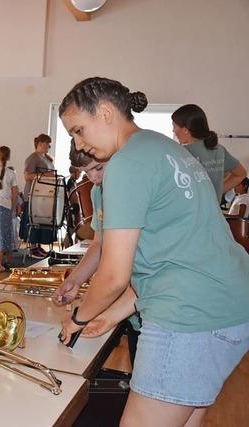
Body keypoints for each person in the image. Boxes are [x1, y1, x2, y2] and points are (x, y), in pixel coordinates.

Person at [57, 77, 249, 426]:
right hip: (230, 304)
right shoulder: (165, 147)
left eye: (78, 130)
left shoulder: (128, 163)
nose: (78, 141)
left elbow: (114, 276)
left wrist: (78, 318)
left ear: (104, 113)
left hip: (190, 316)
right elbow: (166, 260)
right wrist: (109, 317)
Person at [54, 140, 141, 364]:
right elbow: (99, 243)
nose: (93, 178)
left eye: (98, 168)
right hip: (133, 301)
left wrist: (79, 319)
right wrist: (75, 279)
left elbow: (117, 275)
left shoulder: (131, 190)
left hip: (148, 296)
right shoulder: (97, 192)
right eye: (86, 172)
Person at [172, 104, 246, 200]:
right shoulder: (219, 149)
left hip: (192, 213)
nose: (173, 130)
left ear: (185, 130)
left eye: (174, 127)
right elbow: (241, 174)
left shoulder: (182, 152)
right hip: (214, 212)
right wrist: (216, 191)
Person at [20, 133, 56, 258]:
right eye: (47, 144)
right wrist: (46, 176)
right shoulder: (33, 158)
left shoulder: (47, 158)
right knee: (33, 220)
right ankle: (33, 247)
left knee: (41, 220)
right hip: (33, 194)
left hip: (44, 195)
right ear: (40, 144)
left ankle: (38, 245)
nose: (49, 147)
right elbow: (27, 176)